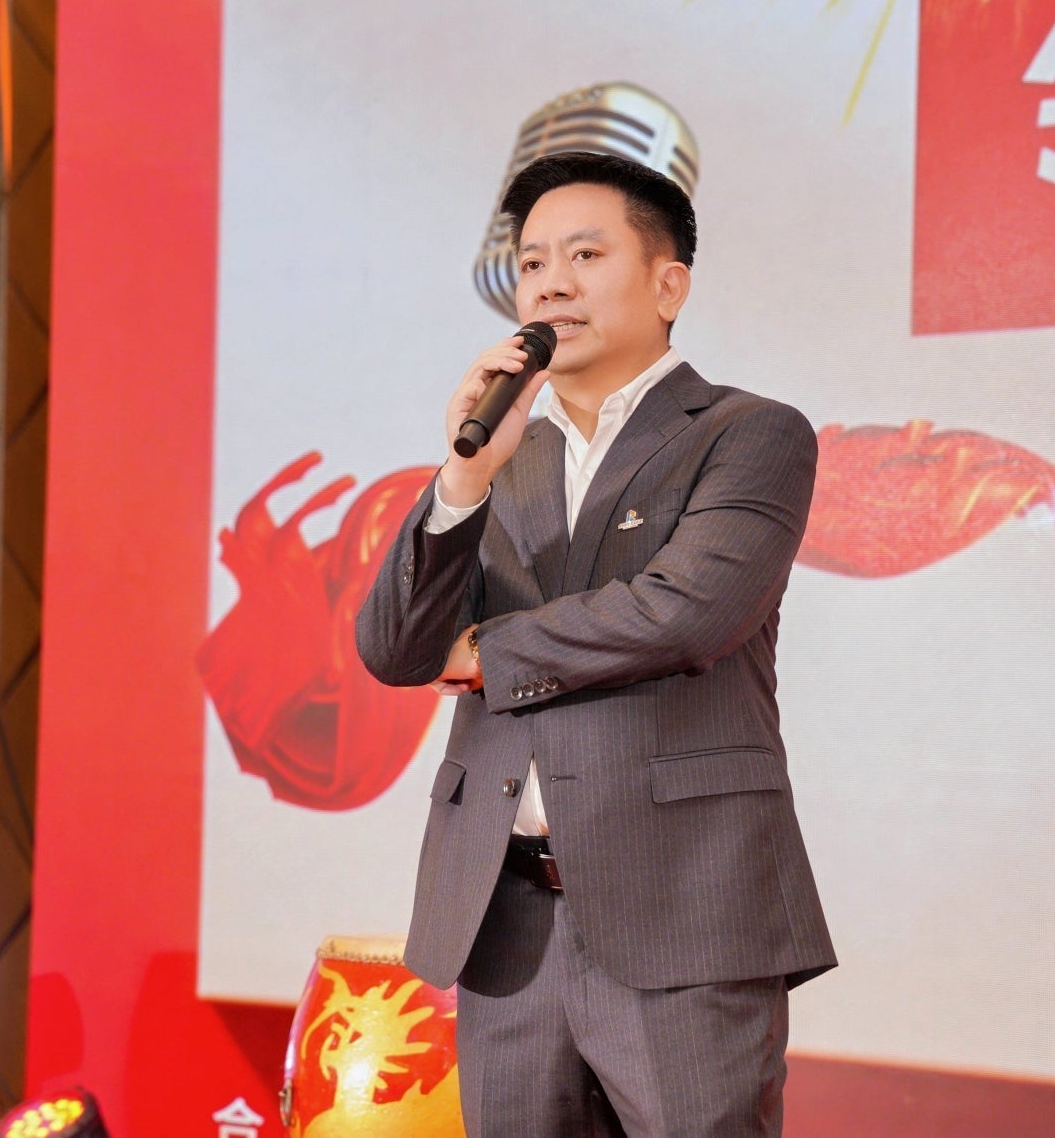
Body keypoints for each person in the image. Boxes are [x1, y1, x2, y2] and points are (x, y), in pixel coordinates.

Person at [356, 151, 834, 1136]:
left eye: (584, 255)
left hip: (682, 909)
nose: (550, 285)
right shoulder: (504, 455)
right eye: (532, 264)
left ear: (669, 286)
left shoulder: (746, 433)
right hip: (506, 920)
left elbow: (686, 610)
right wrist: (461, 482)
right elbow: (397, 649)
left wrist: (487, 652)